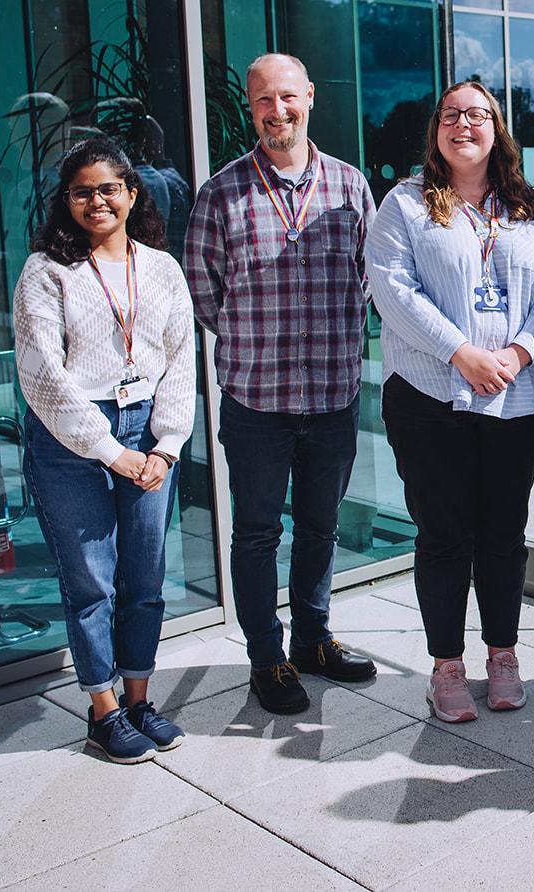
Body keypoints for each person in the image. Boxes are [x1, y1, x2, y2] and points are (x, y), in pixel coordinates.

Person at [366, 82, 534, 722]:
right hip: (429, 397)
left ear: (497, 129)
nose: (464, 125)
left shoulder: (528, 206)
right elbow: (392, 290)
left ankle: (502, 655)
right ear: (436, 131)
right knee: (444, 534)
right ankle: (446, 666)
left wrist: (519, 352)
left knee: (504, 535)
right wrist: (461, 352)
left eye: (477, 115)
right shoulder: (404, 204)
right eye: (452, 115)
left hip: (515, 395)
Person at [184, 53, 379, 716]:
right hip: (256, 403)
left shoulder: (351, 187)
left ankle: (314, 641)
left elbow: (371, 279)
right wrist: (254, 343)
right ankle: (267, 658)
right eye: (264, 100)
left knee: (322, 527)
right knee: (257, 533)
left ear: (311, 98)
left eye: (288, 97)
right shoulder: (222, 191)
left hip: (332, 398)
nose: (277, 111)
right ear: (250, 106)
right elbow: (201, 291)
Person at [14, 136, 195, 763]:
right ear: (66, 201)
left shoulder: (161, 267)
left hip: (147, 428)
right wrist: (112, 453)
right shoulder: (46, 270)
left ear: (132, 192)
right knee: (91, 581)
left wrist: (166, 446)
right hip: (70, 438)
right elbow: (42, 376)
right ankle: (104, 711)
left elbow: (179, 360)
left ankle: (141, 700)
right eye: (82, 191)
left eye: (108, 188)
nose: (97, 201)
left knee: (144, 575)